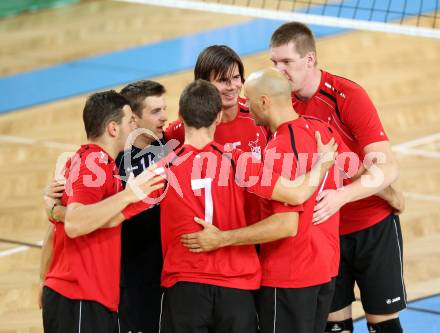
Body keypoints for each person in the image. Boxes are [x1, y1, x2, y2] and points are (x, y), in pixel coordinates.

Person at [147, 79, 337, 333]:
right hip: (237, 289)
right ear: (218, 117)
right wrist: (322, 165)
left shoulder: (162, 169)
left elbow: (117, 208)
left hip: (185, 286)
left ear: (180, 117)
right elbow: (296, 193)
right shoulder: (239, 161)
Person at [269, 22, 406, 333]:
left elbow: (388, 167)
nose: (279, 71)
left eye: (286, 62)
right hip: (324, 233)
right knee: (334, 326)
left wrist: (341, 196)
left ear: (310, 60)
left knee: (383, 324)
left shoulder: (347, 95)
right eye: (273, 63)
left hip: (371, 225)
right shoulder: (277, 103)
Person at [40, 90, 164, 333]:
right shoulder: (93, 162)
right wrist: (131, 194)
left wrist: (56, 211)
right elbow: (76, 224)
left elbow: (103, 220)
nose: (134, 126)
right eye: (130, 121)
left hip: (86, 297)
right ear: (113, 129)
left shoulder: (97, 164)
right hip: (79, 296)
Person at [166, 45, 270, 225]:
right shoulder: (182, 128)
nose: (232, 87)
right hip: (213, 234)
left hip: (260, 229)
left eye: (236, 77)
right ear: (203, 84)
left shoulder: (261, 116)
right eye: (223, 80)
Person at [117, 80, 170, 333]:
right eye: (155, 111)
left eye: (164, 109)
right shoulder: (112, 164)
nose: (164, 117)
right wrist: (52, 205)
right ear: (134, 119)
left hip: (175, 276)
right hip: (135, 281)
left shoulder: (172, 147)